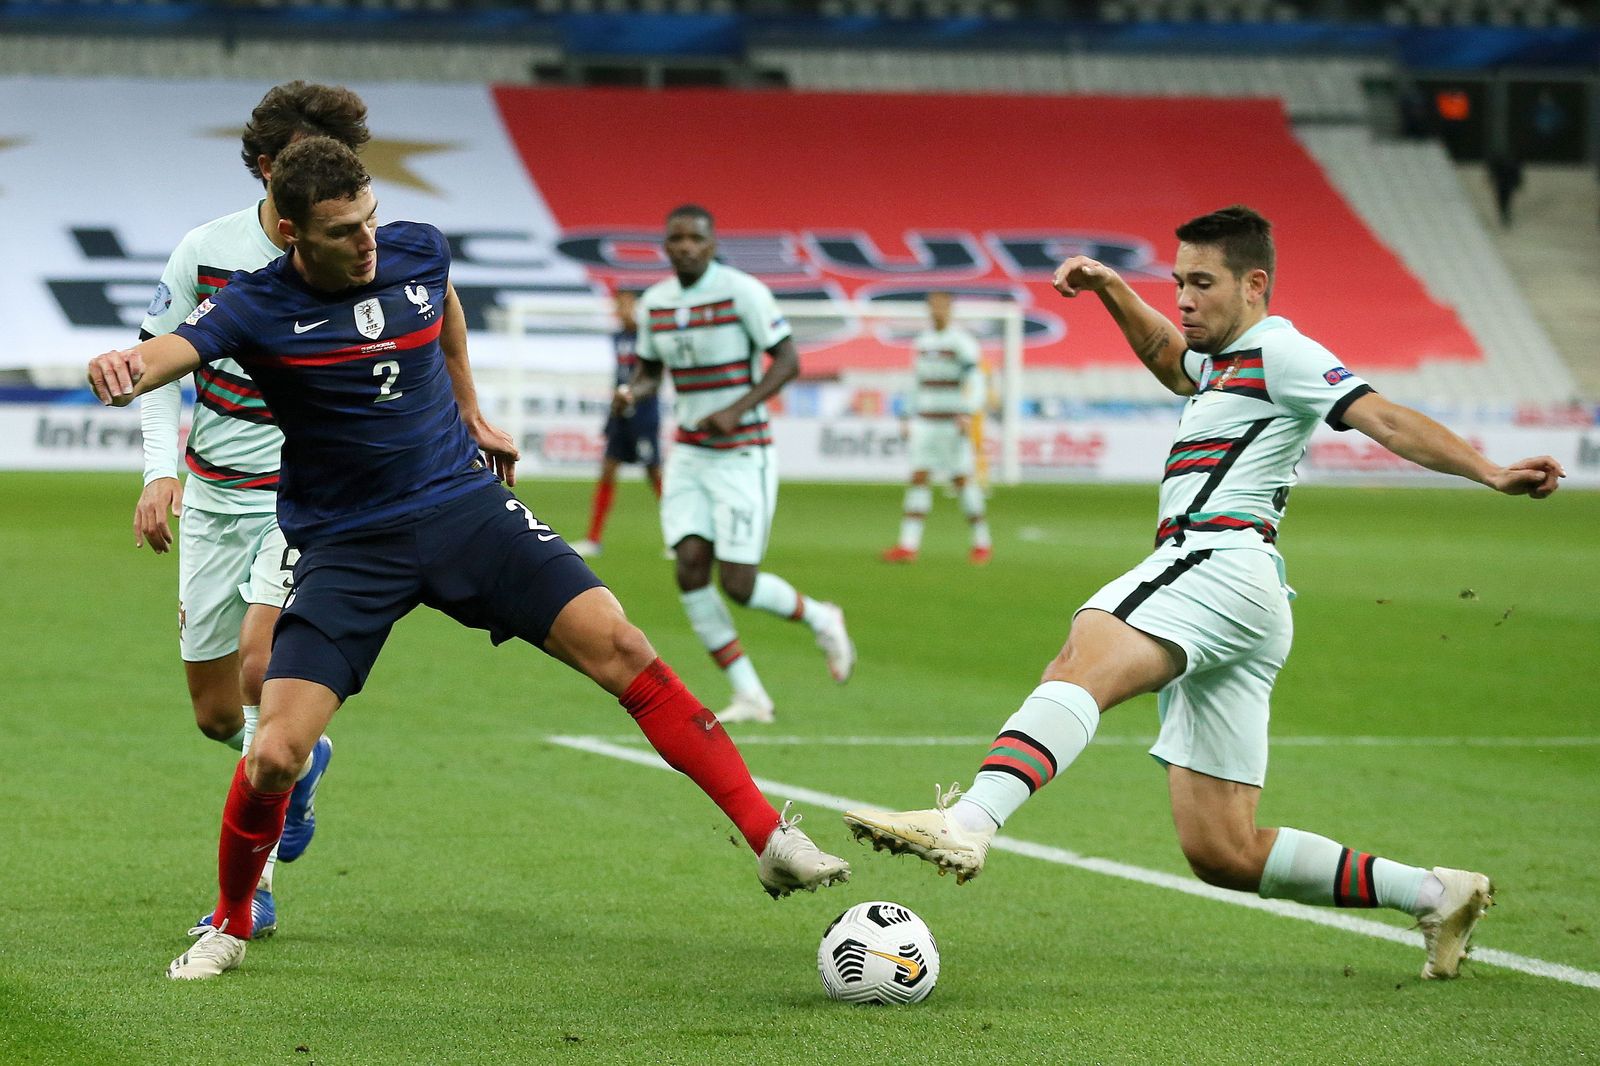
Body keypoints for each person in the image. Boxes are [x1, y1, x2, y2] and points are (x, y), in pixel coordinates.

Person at [87, 138, 850, 982]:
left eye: (370, 218)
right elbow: (165, 356)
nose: (370, 241)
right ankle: (230, 923)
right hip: (349, 547)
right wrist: (122, 369)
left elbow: (440, 303)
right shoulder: (256, 305)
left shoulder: (418, 246)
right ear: (294, 235)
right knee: (272, 752)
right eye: (345, 232)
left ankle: (769, 839)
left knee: (623, 646)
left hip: (464, 510)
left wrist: (470, 406)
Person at [842, 205, 1564, 981]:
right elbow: (1164, 354)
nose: (1184, 298)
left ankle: (970, 820)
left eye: (1202, 283)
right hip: (1249, 599)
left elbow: (1380, 416)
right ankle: (1434, 892)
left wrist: (1488, 471)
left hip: (1216, 559)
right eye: (1178, 281)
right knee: (1223, 851)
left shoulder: (1281, 351)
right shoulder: (1222, 361)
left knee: (1085, 649)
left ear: (1254, 286)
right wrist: (1113, 286)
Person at [135, 81, 372, 939]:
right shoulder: (206, 250)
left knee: (257, 673)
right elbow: (152, 366)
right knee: (213, 712)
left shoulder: (353, 253)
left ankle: (253, 888)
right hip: (213, 496)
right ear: (269, 169)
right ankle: (299, 770)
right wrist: (162, 475)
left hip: (304, 498)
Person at [625, 205, 854, 725]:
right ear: (666, 246)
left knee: (739, 583)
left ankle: (822, 617)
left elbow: (789, 359)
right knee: (688, 567)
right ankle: (750, 694)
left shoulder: (742, 291)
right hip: (688, 455)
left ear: (711, 244)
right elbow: (648, 371)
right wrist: (629, 393)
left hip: (742, 454)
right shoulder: (655, 303)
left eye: (695, 238)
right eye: (676, 239)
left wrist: (736, 408)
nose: (685, 246)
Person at [882, 291, 992, 565]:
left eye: (941, 306)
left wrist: (969, 410)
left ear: (950, 309)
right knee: (919, 476)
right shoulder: (923, 342)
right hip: (926, 421)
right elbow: (915, 383)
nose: (937, 311)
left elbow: (976, 380)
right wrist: (906, 414)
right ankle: (908, 545)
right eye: (932, 307)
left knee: (961, 479)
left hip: (952, 421)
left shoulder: (961, 342)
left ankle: (981, 541)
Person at [573, 289, 662, 558]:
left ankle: (679, 537)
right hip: (619, 413)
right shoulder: (617, 336)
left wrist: (632, 393)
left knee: (654, 473)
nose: (623, 311)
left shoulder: (650, 337)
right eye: (619, 305)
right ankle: (594, 538)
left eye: (628, 305)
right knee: (608, 469)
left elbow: (653, 375)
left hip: (644, 413)